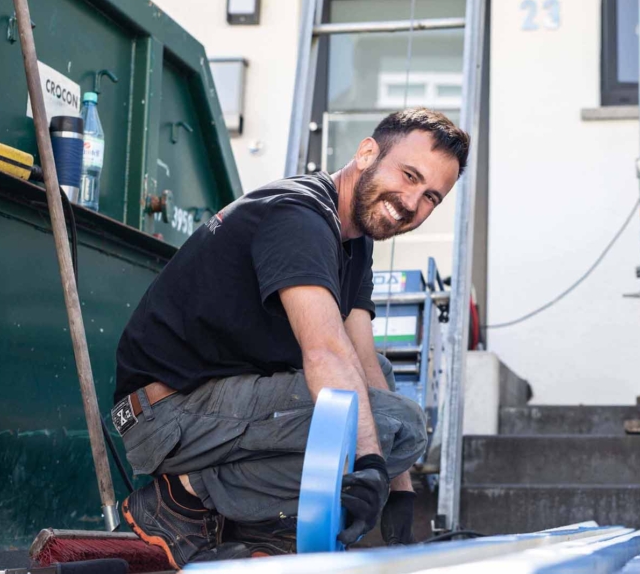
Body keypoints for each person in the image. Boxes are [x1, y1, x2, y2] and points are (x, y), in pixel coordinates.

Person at [110, 107, 469, 568]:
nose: (411, 202)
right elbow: (324, 351)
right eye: (408, 175)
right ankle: (182, 499)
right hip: (163, 416)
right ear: (366, 153)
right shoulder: (298, 215)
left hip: (214, 407)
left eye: (431, 197)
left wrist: (397, 490)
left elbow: (361, 357)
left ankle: (253, 522)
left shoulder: (355, 241)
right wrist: (371, 464)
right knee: (399, 425)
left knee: (379, 393)